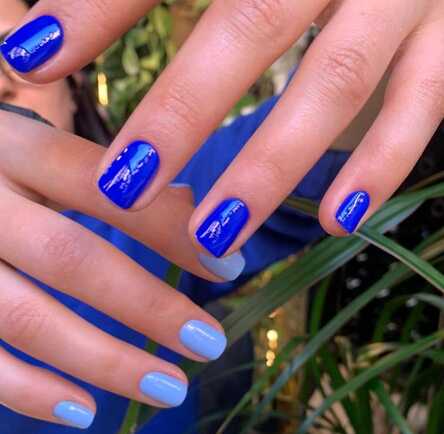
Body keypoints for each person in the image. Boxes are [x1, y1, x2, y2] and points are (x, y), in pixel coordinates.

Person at [0, 0, 440, 432]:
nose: (1, 88)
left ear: (74, 80)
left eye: (10, 53)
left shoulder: (145, 212)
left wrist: (385, 29)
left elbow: (307, 144)